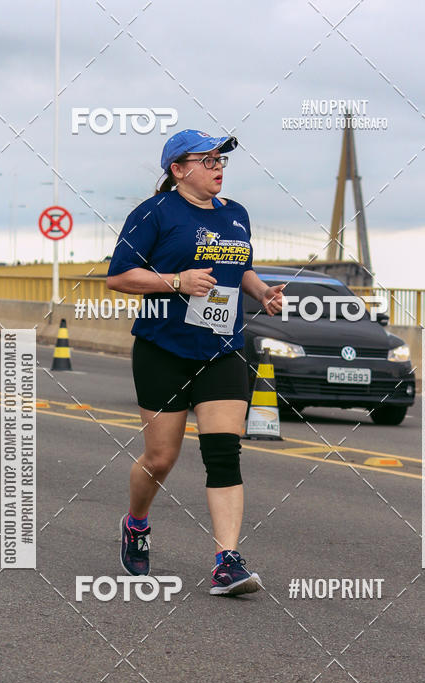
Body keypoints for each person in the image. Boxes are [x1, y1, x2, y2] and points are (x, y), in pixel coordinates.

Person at [106, 129, 285, 596]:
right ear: (178, 170)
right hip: (163, 349)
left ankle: (228, 561)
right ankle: (137, 523)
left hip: (223, 348)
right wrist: (176, 281)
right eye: (206, 160)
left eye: (220, 158)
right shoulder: (153, 213)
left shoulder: (237, 215)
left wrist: (262, 291)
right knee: (161, 457)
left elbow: (237, 267)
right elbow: (120, 277)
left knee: (223, 452)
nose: (217, 165)